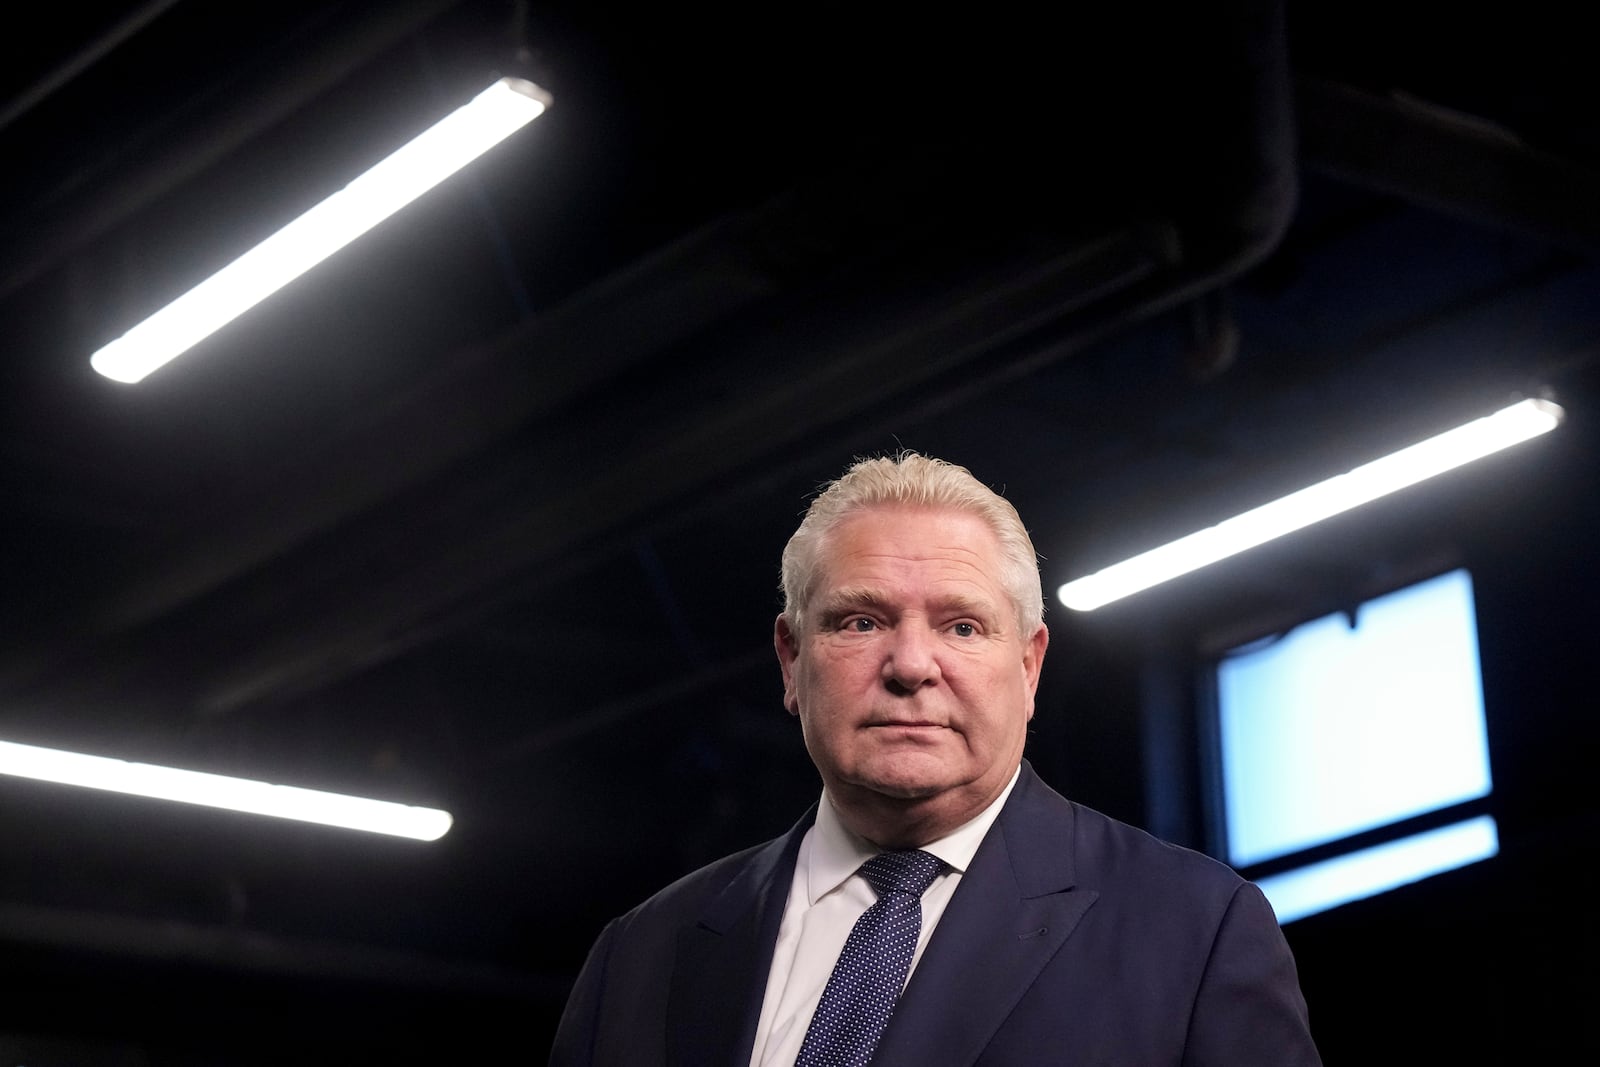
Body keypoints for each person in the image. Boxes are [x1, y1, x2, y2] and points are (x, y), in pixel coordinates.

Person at [550, 452, 1320, 1065]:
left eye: (962, 626)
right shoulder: (639, 959)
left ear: (1029, 667)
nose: (911, 663)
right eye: (860, 620)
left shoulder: (1192, 929)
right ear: (790, 660)